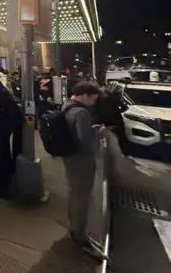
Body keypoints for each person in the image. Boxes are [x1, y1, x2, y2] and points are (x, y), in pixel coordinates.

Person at [62, 81, 104, 249]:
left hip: (69, 156)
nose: (93, 103)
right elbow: (84, 140)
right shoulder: (82, 113)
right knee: (82, 197)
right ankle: (79, 234)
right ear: (85, 95)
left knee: (73, 193)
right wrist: (98, 133)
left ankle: (73, 227)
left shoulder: (66, 105)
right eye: (92, 99)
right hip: (81, 159)